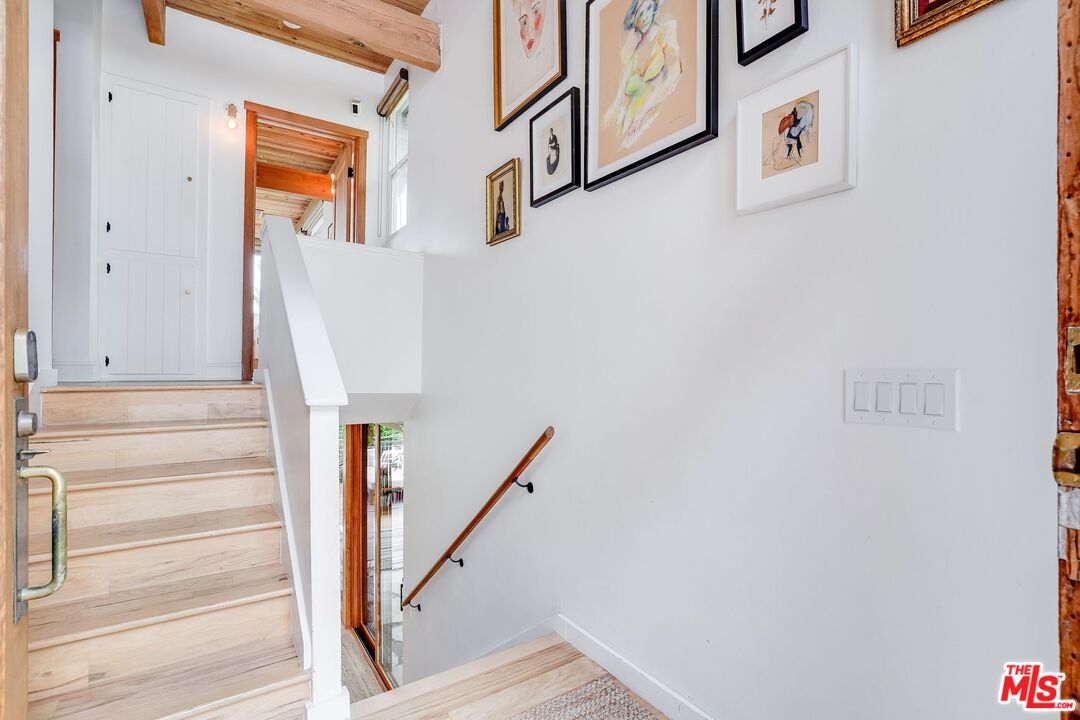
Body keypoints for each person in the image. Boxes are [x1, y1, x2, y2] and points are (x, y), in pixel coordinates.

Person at [604, 0, 683, 150]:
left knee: (628, 143)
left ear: (654, 9)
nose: (644, 17)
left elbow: (675, 72)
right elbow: (625, 76)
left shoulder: (666, 30)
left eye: (648, 9)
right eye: (639, 13)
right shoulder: (636, 40)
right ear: (633, 16)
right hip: (628, 108)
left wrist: (641, 114)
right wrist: (619, 105)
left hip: (648, 107)